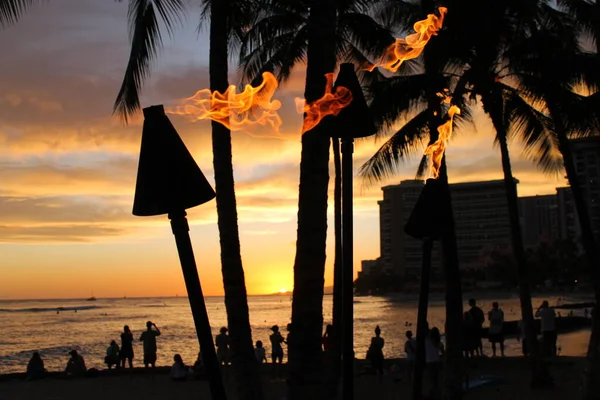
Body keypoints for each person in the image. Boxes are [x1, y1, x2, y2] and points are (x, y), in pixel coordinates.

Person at [425, 327, 444, 400]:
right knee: (437, 379)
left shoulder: (426, 341)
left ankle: (434, 394)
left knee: (433, 380)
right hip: (437, 361)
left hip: (429, 362)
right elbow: (442, 352)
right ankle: (437, 394)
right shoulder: (438, 342)